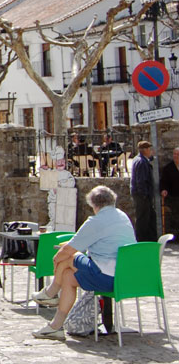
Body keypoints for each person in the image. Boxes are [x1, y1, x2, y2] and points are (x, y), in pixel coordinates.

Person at [31, 185, 136, 340]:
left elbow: (69, 249)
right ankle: (55, 326)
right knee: (67, 277)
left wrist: (55, 259)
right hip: (127, 276)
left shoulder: (96, 221)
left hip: (108, 277)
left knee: (67, 257)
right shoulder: (121, 216)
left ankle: (51, 293)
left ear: (94, 205)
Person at [130, 140, 156, 242]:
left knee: (149, 218)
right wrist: (145, 195)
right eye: (150, 149)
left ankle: (149, 240)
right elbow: (141, 180)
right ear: (145, 150)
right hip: (142, 196)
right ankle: (142, 241)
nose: (151, 151)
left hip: (142, 195)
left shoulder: (139, 160)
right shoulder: (141, 162)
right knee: (143, 220)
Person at [161, 147, 179, 240]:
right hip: (174, 196)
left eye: (177, 154)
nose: (176, 156)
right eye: (174, 154)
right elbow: (164, 181)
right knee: (176, 217)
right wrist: (164, 189)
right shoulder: (168, 168)